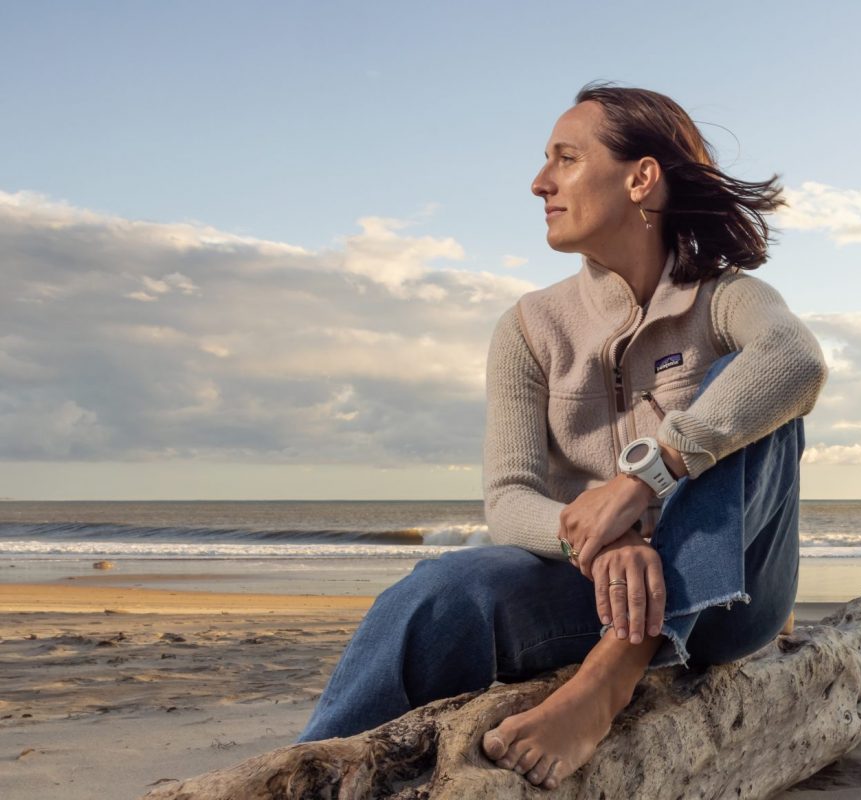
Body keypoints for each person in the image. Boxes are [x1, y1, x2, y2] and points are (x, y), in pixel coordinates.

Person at [292, 81, 829, 790]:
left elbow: (797, 362)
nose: (540, 182)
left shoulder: (725, 297)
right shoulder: (529, 328)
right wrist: (605, 539)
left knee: (755, 390)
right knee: (435, 592)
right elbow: (509, 500)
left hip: (732, 600)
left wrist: (646, 477)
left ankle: (618, 669)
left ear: (641, 178)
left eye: (566, 159)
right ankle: (298, 776)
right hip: (599, 585)